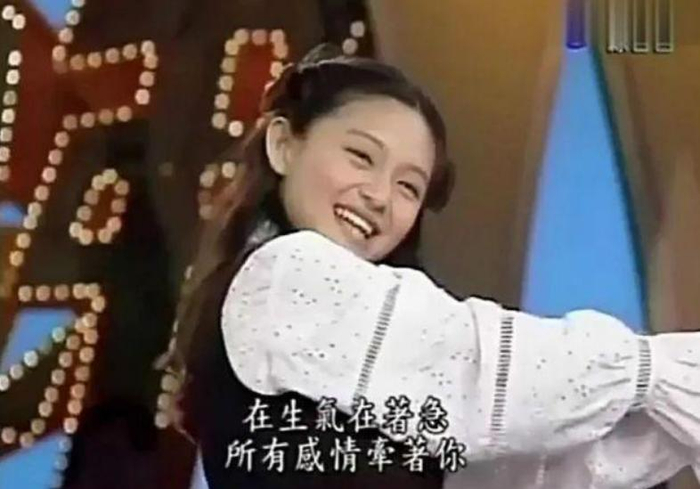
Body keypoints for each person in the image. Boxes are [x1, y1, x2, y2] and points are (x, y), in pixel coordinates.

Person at [158, 44, 700, 488]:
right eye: (361, 156)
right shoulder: (285, 273)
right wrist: (654, 370)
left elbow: (512, 461)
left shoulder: (358, 345)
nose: (378, 196)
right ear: (282, 144)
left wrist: (661, 404)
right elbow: (472, 364)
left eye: (408, 186)